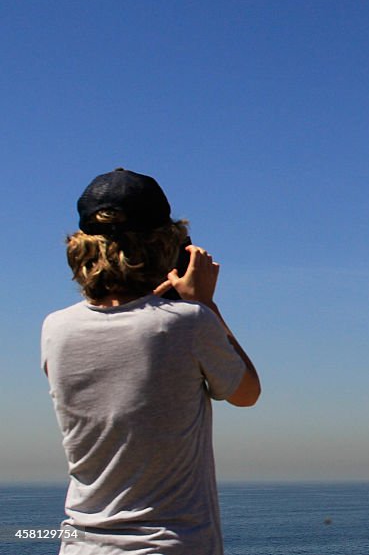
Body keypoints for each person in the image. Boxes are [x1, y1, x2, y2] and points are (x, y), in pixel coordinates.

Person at [41, 168, 261, 554]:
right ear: (165, 245)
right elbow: (246, 392)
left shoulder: (55, 328)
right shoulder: (188, 323)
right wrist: (205, 304)